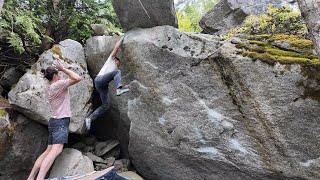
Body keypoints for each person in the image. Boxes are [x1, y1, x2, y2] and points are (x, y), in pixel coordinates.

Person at [27, 58, 82, 180]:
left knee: (48, 151)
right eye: (59, 73)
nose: (61, 75)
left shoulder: (51, 86)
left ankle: (31, 177)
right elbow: (77, 78)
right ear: (55, 76)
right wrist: (63, 68)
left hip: (54, 121)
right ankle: (40, 178)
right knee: (56, 151)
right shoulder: (58, 85)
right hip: (61, 121)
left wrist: (61, 70)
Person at [84, 36, 130, 130]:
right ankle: (119, 89)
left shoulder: (115, 70)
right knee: (117, 72)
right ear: (115, 60)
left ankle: (90, 118)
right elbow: (116, 48)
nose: (118, 64)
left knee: (106, 105)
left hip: (101, 86)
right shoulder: (111, 59)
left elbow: (117, 80)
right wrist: (122, 38)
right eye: (118, 62)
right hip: (99, 80)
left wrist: (127, 87)